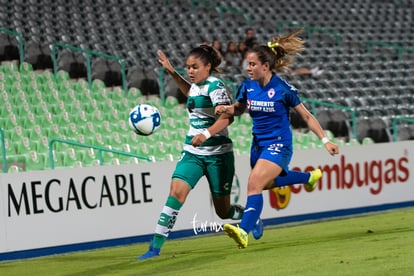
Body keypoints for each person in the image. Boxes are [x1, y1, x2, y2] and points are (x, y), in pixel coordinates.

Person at [216, 29, 339, 249]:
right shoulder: (246, 86)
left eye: (252, 64)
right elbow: (239, 109)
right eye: (247, 64)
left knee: (253, 183)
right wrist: (227, 108)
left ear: (266, 66)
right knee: (264, 184)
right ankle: (308, 178)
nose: (248, 68)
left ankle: (243, 231)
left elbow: (306, 116)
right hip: (258, 146)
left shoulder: (283, 89)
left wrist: (325, 140)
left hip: (279, 145)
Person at [137, 45, 263, 260]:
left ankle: (251, 217)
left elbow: (227, 117)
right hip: (193, 153)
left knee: (223, 211)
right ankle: (154, 248)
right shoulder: (195, 86)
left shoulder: (216, 86)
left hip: (218, 155)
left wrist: (205, 134)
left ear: (208, 66)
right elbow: (191, 93)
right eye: (188, 67)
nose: (190, 71)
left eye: (195, 67)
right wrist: (172, 71)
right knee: (176, 193)